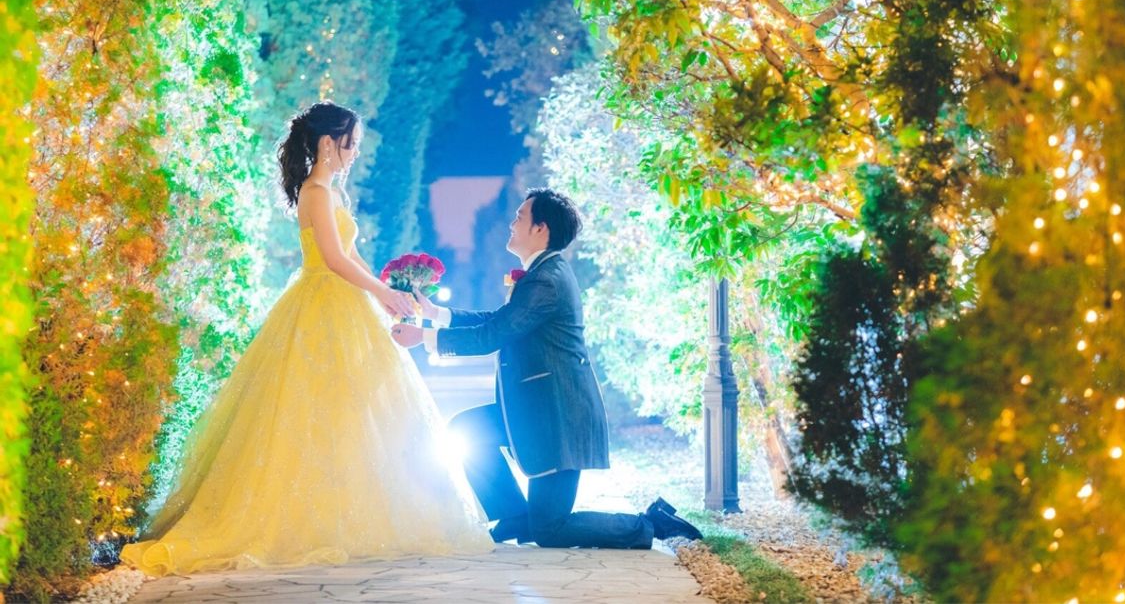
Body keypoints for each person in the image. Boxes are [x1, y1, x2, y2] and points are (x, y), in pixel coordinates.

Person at [121, 101, 491, 576]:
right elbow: (332, 259)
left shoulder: (331, 193)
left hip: (345, 304)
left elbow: (351, 255)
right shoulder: (315, 192)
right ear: (328, 143)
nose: (355, 152)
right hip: (321, 304)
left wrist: (383, 293)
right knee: (309, 409)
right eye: (351, 143)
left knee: (354, 411)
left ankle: (351, 511)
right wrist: (380, 292)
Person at [392, 188, 703, 548]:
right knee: (467, 429)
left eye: (519, 217)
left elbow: (494, 334)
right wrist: (437, 314)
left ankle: (648, 524)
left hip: (559, 420)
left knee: (551, 530)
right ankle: (514, 516)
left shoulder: (547, 280)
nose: (512, 224)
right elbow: (502, 319)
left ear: (540, 229)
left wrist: (424, 337)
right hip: (534, 411)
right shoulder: (542, 272)